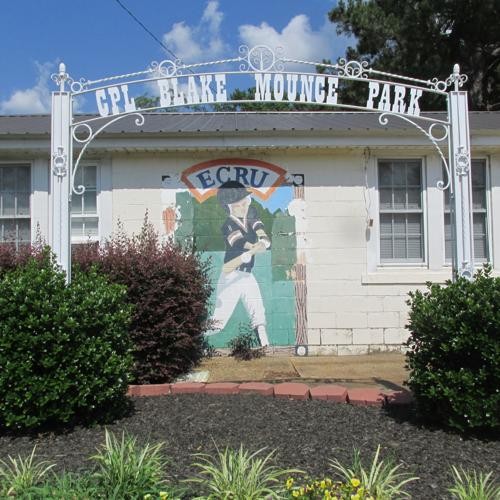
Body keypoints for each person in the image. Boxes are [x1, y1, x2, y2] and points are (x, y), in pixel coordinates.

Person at [206, 180, 271, 347]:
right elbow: (241, 243)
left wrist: (263, 240)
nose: (244, 206)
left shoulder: (251, 213)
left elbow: (260, 231)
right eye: (239, 204)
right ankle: (195, 340)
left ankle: (265, 345)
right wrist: (255, 247)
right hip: (230, 275)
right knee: (218, 323)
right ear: (229, 206)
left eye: (245, 202)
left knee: (258, 311)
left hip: (247, 275)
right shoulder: (227, 225)